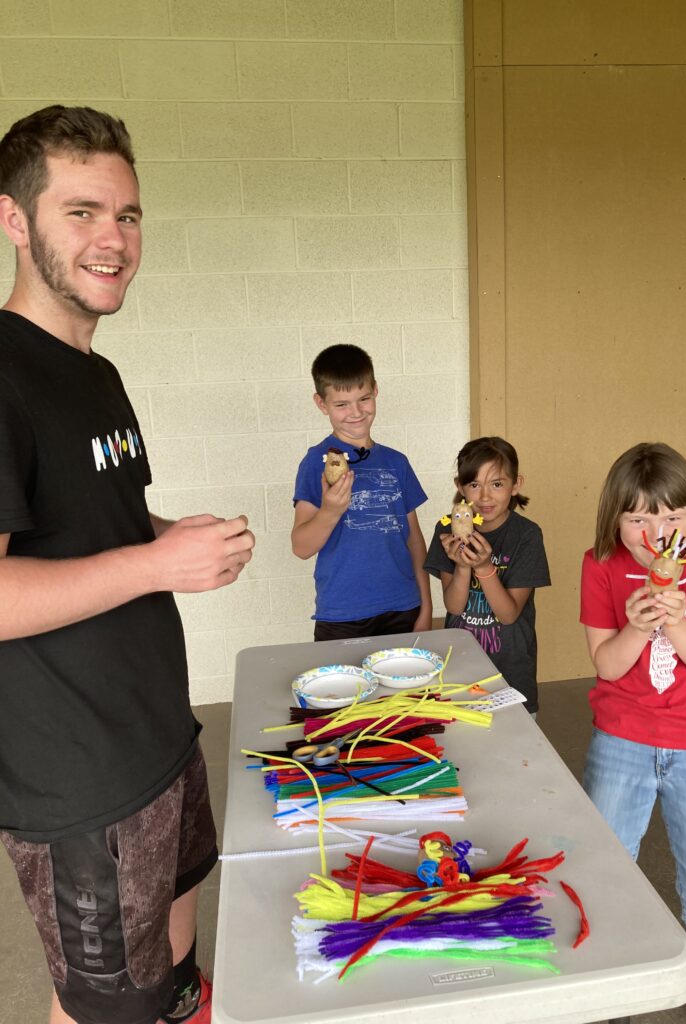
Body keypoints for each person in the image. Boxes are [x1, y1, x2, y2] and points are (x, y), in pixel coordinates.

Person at [0, 106, 255, 1024]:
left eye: (130, 215)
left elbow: (81, 521)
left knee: (171, 981)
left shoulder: (93, 372)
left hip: (156, 735)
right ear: (15, 220)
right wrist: (155, 565)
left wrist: (165, 533)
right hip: (80, 779)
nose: (114, 239)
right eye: (82, 212)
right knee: (107, 1007)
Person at [580, 442, 686, 1024]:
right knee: (600, 885)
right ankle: (604, 1003)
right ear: (614, 516)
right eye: (639, 518)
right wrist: (634, 624)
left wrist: (676, 620)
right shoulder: (599, 564)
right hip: (622, 738)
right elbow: (606, 664)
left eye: (672, 517)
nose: (657, 532)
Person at [291, 343, 432, 640]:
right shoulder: (315, 463)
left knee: (403, 689)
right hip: (342, 613)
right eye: (341, 404)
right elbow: (301, 547)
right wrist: (330, 511)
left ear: (376, 391)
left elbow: (414, 538)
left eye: (364, 399)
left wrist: (427, 605)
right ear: (321, 404)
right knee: (343, 689)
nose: (355, 412)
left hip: (403, 606)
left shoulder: (397, 462)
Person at [423, 436, 550, 714]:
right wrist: (463, 565)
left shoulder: (526, 536)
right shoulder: (445, 530)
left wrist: (483, 567)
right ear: (460, 486)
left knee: (518, 748)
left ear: (516, 485)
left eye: (497, 484)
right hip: (461, 667)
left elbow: (509, 614)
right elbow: (455, 606)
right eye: (474, 485)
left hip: (511, 668)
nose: (484, 497)